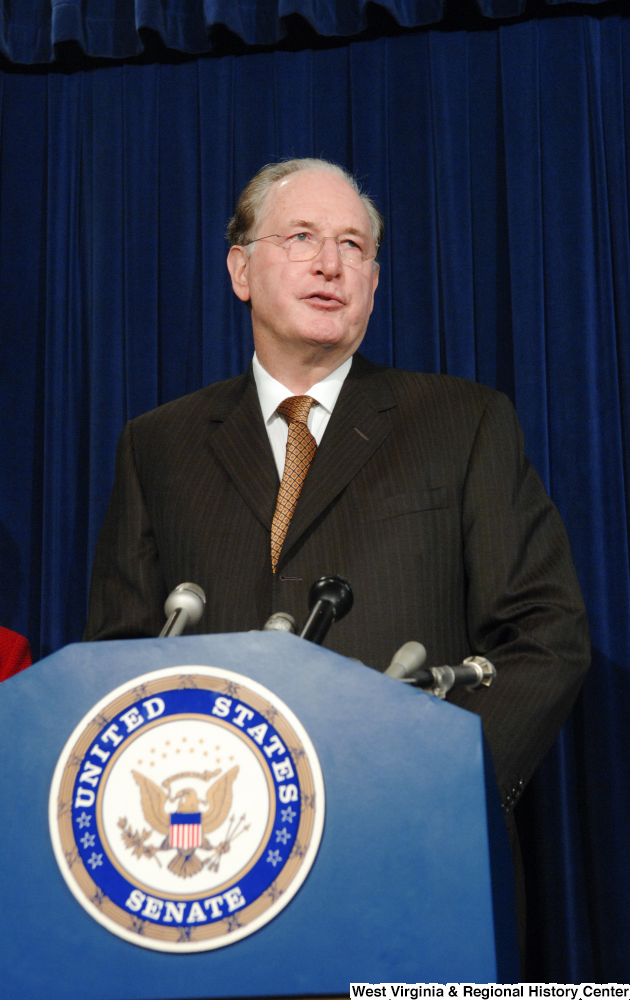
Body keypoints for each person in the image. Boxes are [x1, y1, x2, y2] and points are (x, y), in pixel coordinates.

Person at [84, 158, 590, 951]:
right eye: (304, 238)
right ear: (241, 268)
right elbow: (121, 658)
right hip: (217, 883)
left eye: (354, 246)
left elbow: (545, 635)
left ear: (374, 281)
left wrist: (444, 789)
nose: (331, 264)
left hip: (416, 863)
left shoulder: (460, 423)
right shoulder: (160, 444)